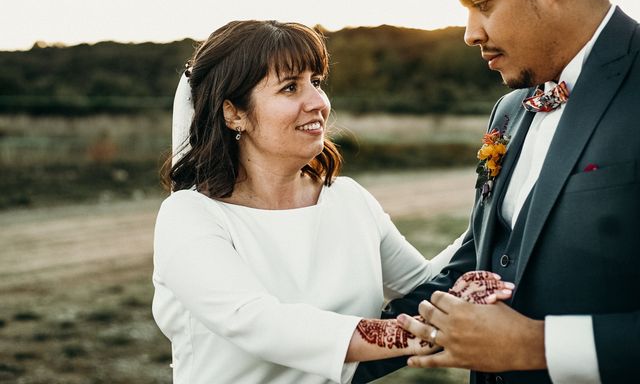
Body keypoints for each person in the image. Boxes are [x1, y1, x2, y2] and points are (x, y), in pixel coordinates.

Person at [354, 0, 640, 383]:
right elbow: (481, 256)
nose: (471, 33)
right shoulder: (509, 111)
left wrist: (536, 346)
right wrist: (330, 358)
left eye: (482, 3)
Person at [152, 20, 508, 383]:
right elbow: (256, 321)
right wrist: (413, 334)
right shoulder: (190, 215)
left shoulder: (348, 199)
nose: (318, 102)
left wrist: (501, 214)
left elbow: (424, 282)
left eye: (317, 83)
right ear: (234, 113)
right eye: (290, 87)